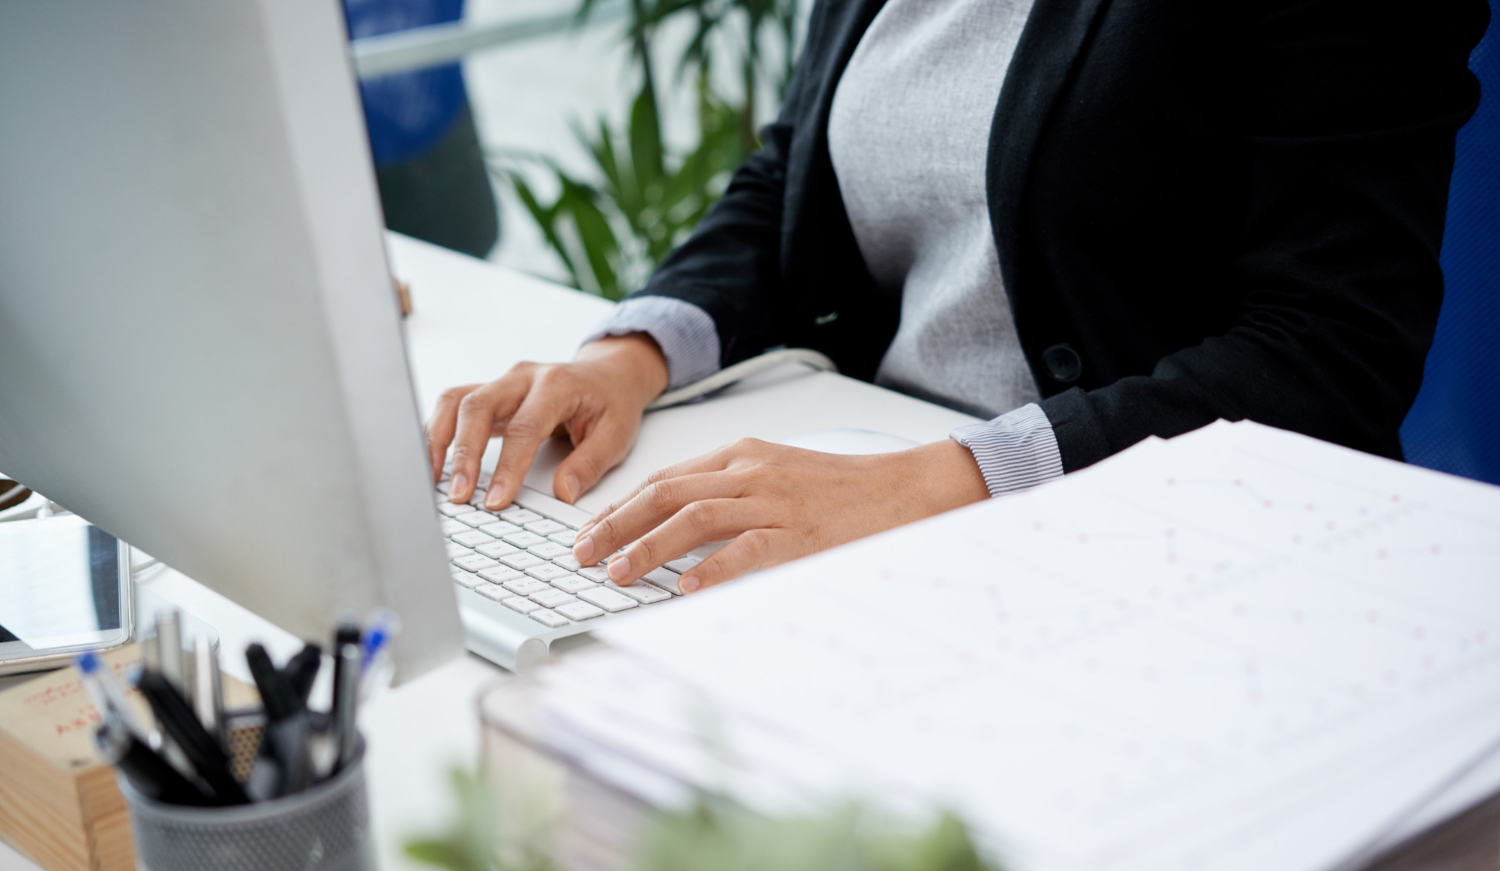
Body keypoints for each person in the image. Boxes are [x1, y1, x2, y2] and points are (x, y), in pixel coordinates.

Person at [426, 0, 1489, 595]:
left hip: (1158, 551)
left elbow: (1329, 355)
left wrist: (942, 479)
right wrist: (629, 355)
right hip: (881, 489)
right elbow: (792, 177)